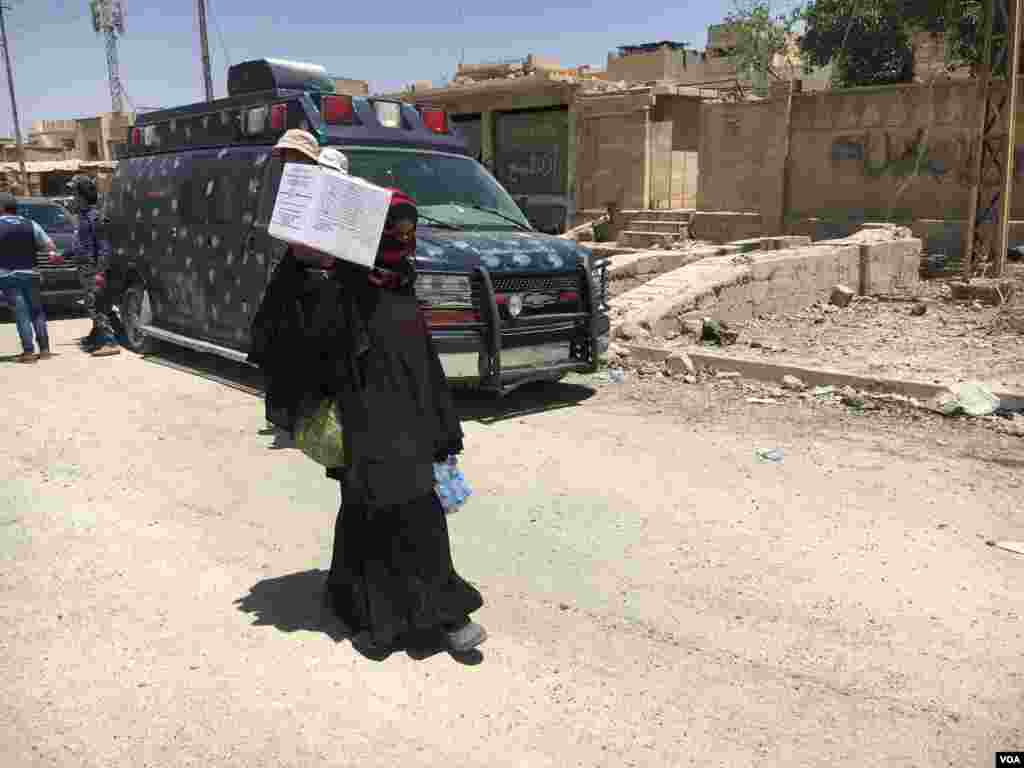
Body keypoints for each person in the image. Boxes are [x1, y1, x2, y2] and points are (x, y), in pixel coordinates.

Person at [249, 184, 486, 657]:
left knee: (387, 508)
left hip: (408, 422)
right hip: (364, 421)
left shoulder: (400, 280)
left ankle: (377, 604)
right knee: (390, 507)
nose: (403, 238)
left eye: (408, 229)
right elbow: (285, 337)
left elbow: (420, 361)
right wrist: (302, 264)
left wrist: (440, 427)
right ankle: (410, 616)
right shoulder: (337, 286)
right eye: (393, 229)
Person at [0, 193, 59, 363]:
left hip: (8, 274)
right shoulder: (31, 223)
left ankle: (28, 352)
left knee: (21, 313)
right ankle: (45, 350)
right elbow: (50, 246)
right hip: (31, 272)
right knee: (37, 311)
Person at [70, 174, 120, 357]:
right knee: (94, 304)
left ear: (82, 196)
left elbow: (104, 248)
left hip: (93, 269)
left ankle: (109, 342)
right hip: (85, 268)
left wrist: (99, 272)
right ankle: (95, 337)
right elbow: (81, 244)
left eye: (74, 194)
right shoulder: (82, 217)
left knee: (96, 305)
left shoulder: (94, 218)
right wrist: (63, 255)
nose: (72, 198)